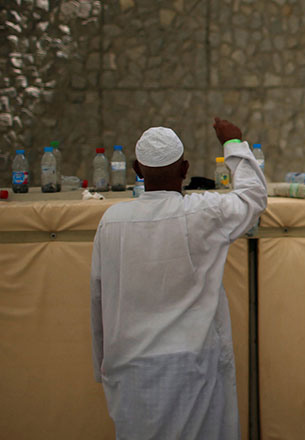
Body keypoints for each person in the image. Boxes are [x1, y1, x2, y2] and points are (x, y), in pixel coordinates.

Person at [90, 119, 267, 439]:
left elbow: (99, 298)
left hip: (129, 368)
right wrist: (233, 144)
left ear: (137, 170)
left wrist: (104, 363)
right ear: (185, 168)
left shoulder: (111, 221)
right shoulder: (203, 213)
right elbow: (253, 197)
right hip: (191, 368)